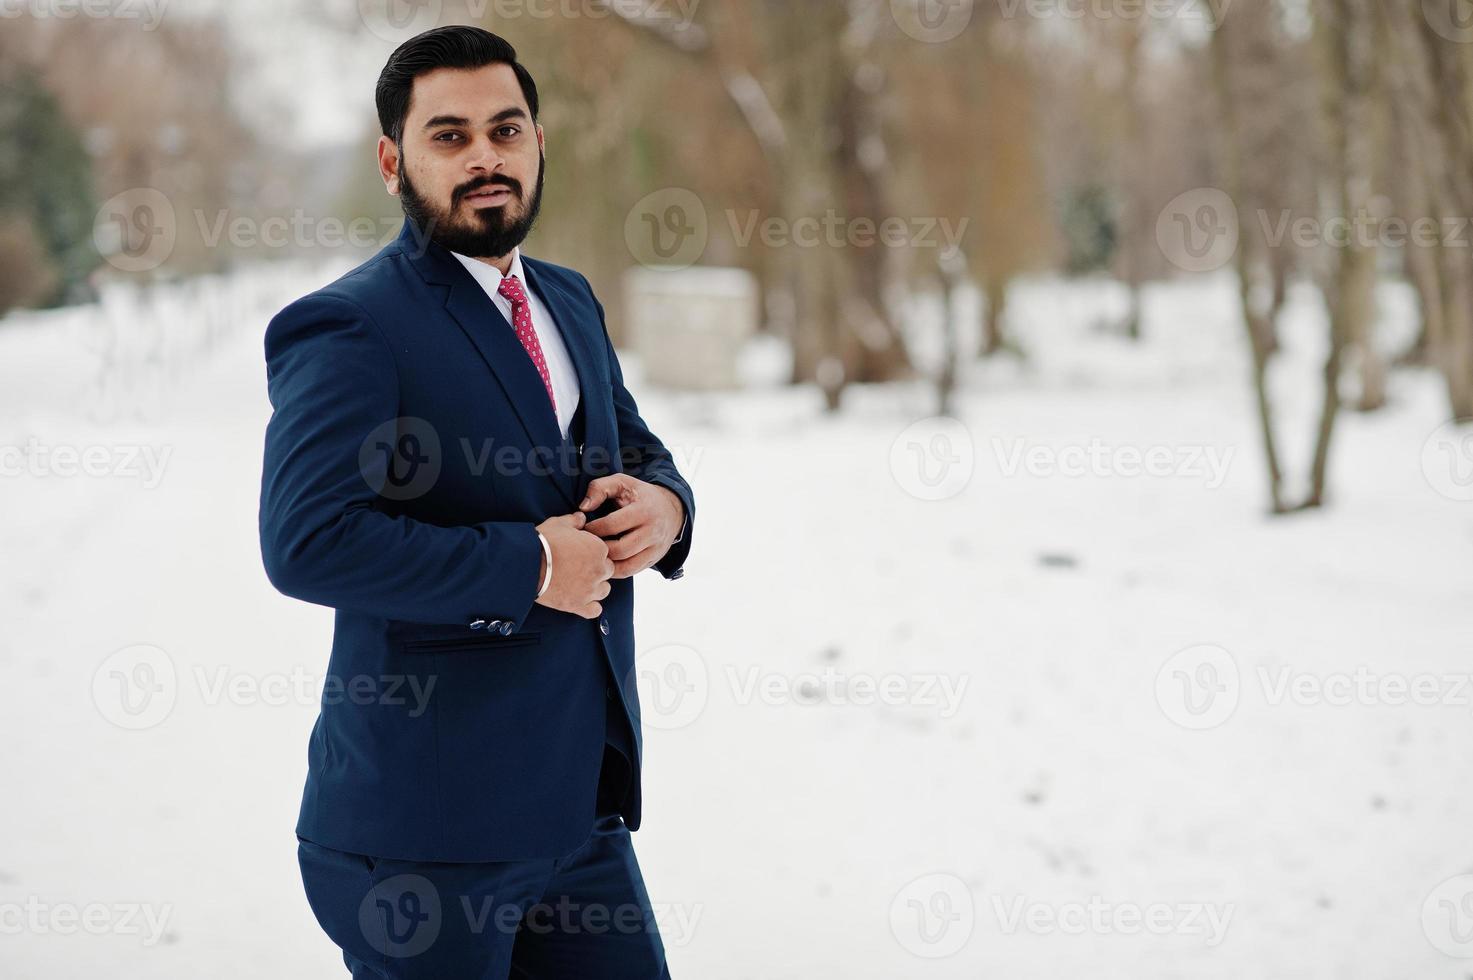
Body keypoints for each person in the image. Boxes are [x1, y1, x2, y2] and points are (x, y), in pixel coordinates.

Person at [258, 25, 694, 978]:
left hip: (581, 817)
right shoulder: (350, 326)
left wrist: (665, 509)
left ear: (539, 141)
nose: (485, 156)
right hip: (424, 835)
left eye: (506, 129)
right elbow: (307, 541)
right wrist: (530, 564)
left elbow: (631, 445)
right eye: (449, 136)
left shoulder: (568, 300)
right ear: (392, 160)